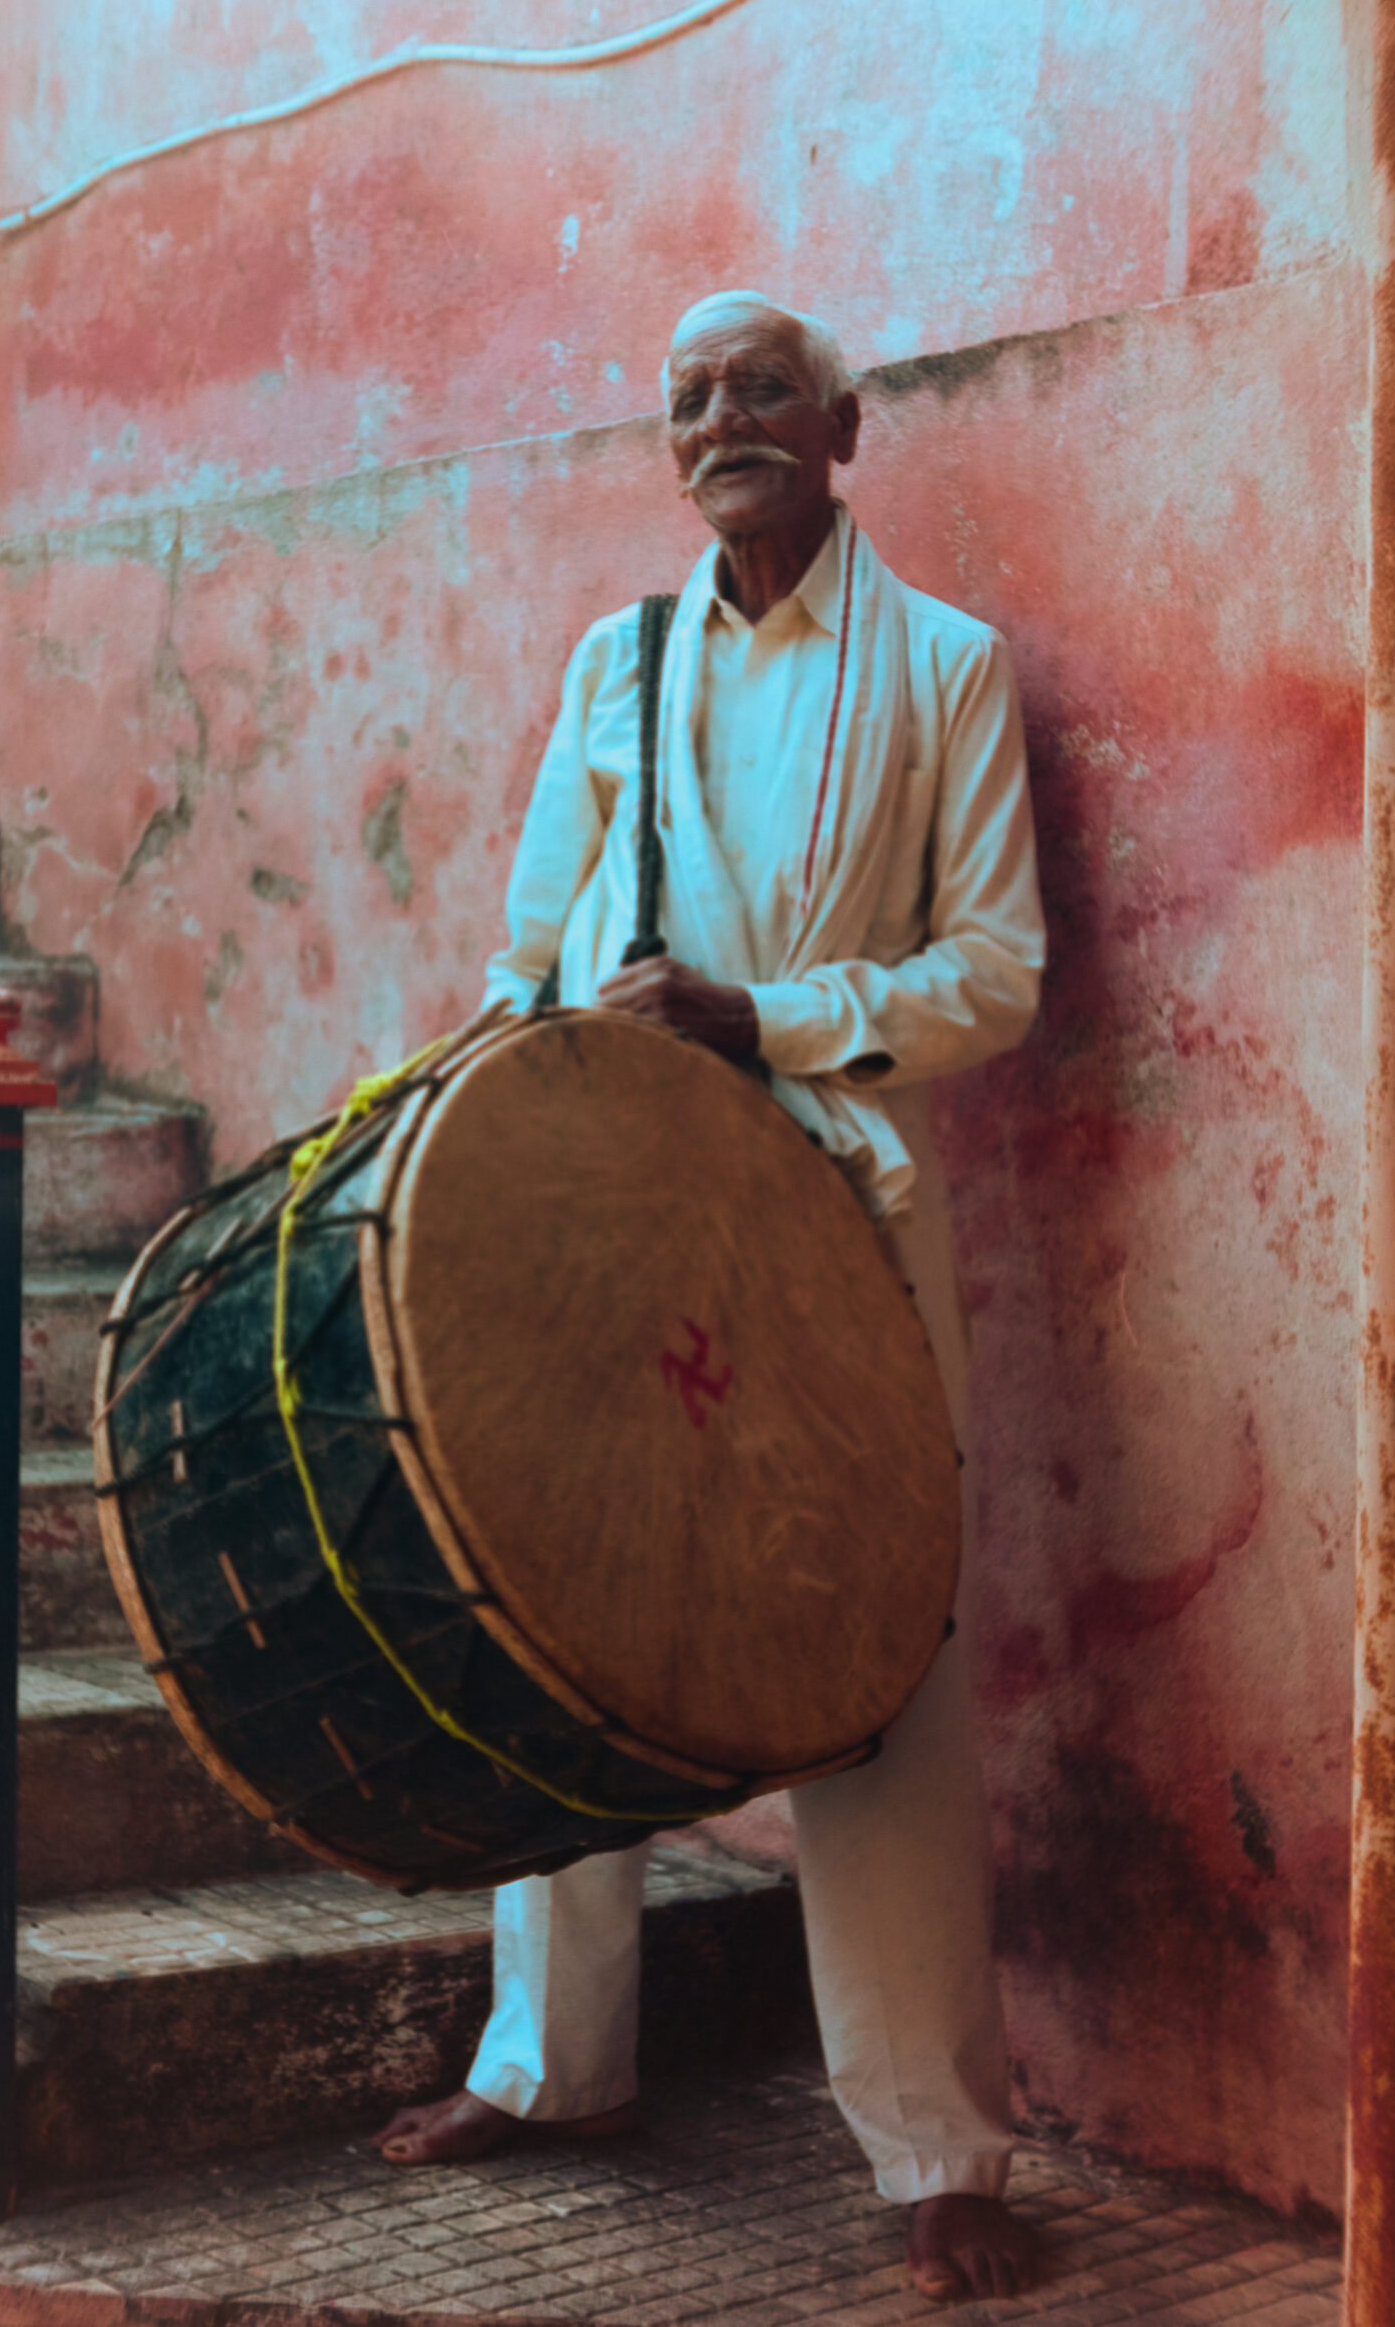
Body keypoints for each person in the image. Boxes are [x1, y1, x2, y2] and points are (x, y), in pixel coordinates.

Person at [371, 290, 1047, 2305]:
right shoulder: (618, 659)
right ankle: (550, 2062)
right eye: (684, 400)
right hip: (608, 1204)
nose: (717, 423)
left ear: (842, 426)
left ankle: (939, 2154)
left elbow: (995, 974)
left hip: (835, 1222)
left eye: (759, 389)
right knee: (552, 1600)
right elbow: (528, 936)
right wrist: (486, 1087)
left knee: (875, 1664)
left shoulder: (943, 670)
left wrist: (765, 1019)